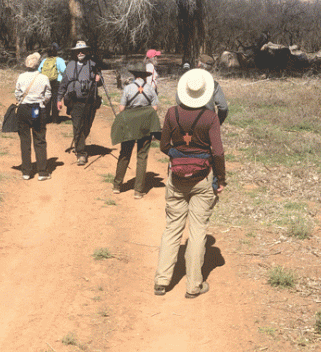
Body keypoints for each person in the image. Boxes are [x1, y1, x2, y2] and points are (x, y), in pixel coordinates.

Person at [154, 68, 226, 299]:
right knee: (197, 231)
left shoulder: (172, 113)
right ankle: (193, 285)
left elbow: (164, 145)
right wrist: (221, 178)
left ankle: (162, 280)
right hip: (202, 178)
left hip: (176, 177)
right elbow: (218, 152)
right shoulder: (210, 117)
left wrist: (179, 153)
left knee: (172, 228)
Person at [110, 62, 161, 199]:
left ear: (134, 75)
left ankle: (117, 185)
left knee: (125, 153)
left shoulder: (128, 88)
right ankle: (138, 190)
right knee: (142, 155)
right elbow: (155, 108)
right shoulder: (150, 89)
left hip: (129, 124)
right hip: (144, 124)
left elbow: (121, 108)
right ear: (144, 76)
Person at [57, 40, 102, 166]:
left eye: (83, 50)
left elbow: (101, 81)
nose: (80, 53)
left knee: (86, 127)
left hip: (90, 103)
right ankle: (81, 153)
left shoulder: (93, 64)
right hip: (75, 102)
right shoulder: (70, 66)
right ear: (75, 53)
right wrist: (59, 98)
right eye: (78, 51)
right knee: (78, 127)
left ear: (87, 51)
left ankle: (79, 142)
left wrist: (99, 79)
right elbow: (64, 83)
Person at [14, 52, 53, 180]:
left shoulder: (21, 77)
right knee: (40, 140)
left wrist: (23, 100)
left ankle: (26, 171)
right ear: (38, 64)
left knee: (25, 140)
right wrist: (42, 102)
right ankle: (42, 172)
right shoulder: (44, 78)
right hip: (38, 108)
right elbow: (48, 94)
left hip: (24, 108)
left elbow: (17, 93)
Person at [175, 59, 229, 124]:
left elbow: (178, 100)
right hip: (207, 122)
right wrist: (217, 123)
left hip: (185, 122)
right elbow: (223, 108)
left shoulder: (185, 82)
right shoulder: (214, 85)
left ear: (198, 65)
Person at [39, 43, 66, 123]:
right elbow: (65, 71)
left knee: (47, 100)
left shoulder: (44, 61)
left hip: (45, 82)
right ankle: (55, 119)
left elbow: (39, 71)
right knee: (56, 100)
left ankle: (46, 118)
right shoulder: (59, 60)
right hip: (56, 82)